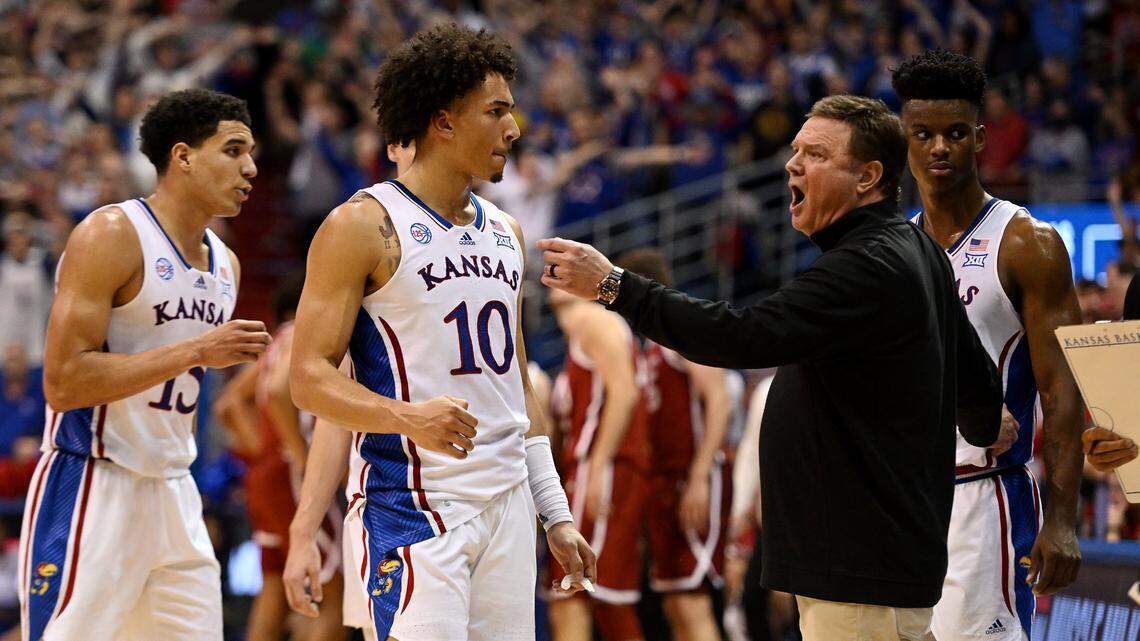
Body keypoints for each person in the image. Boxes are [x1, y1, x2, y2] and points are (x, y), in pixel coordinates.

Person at [538, 94, 1004, 641]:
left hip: (859, 569)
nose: (792, 165)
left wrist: (616, 287)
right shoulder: (918, 251)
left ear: (868, 177)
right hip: (880, 562)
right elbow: (975, 380)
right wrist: (985, 422)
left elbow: (740, 335)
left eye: (816, 154)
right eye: (795, 150)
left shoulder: (864, 266)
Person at [286, 24, 595, 641]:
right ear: (444, 122)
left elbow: (518, 390)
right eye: (496, 111)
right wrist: (406, 418)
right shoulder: (361, 225)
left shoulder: (506, 231)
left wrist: (554, 513)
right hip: (414, 508)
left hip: (508, 507)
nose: (514, 128)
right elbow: (307, 379)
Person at [17, 88, 269, 641]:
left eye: (250, 153)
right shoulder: (112, 234)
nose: (250, 168)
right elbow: (63, 382)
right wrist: (196, 351)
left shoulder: (226, 264)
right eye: (233, 151)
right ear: (182, 157)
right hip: (94, 481)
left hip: (175, 490)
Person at [891, 50, 1085, 640]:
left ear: (979, 138)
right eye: (923, 134)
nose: (939, 148)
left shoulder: (1027, 243)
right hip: (904, 503)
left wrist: (1063, 519)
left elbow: (1063, 389)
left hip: (985, 500)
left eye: (954, 133)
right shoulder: (894, 246)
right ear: (903, 140)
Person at [285, 141, 414, 641]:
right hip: (394, 498)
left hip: (484, 497)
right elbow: (325, 404)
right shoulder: (365, 230)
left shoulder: (491, 234)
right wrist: (304, 530)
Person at [214, 275, 346, 641]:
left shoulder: (275, 344)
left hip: (265, 474)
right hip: (291, 473)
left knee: (273, 584)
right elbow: (275, 392)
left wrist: (261, 450)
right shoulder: (300, 334)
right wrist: (298, 454)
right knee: (333, 595)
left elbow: (228, 405)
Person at [616, 248, 733, 641]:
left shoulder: (683, 331)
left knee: (691, 602)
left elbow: (720, 400)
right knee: (674, 605)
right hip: (664, 484)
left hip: (693, 477)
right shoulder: (650, 347)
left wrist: (699, 478)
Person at [545, 286, 650, 641]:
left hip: (603, 465)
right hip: (598, 466)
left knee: (576, 596)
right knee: (597, 600)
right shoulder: (585, 328)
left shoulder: (594, 320)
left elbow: (625, 392)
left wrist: (600, 465)